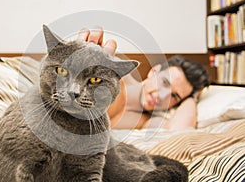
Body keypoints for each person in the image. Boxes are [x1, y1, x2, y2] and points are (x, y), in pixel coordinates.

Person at [77, 27, 209, 131]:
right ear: (154, 71)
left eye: (174, 96)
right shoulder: (117, 72)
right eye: (165, 82)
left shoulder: (146, 121)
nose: (162, 96)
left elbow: (179, 132)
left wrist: (193, 97)